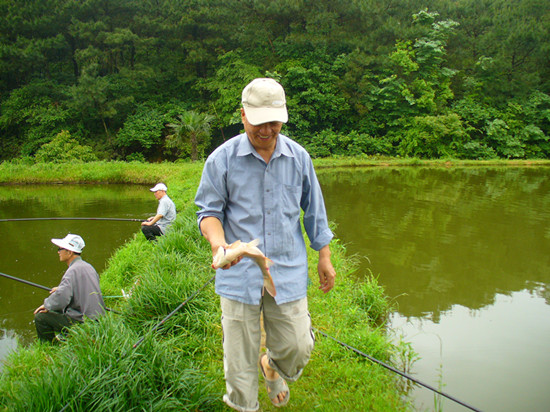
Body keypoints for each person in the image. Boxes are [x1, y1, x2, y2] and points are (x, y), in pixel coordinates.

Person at [195, 78, 336, 411]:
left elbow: (314, 209)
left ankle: (271, 366)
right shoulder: (221, 159)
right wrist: (220, 246)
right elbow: (209, 213)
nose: (267, 130)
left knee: (297, 347)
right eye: (259, 122)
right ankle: (245, 405)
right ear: (243, 115)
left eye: (274, 122)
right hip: (238, 273)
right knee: (238, 365)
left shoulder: (298, 158)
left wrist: (324, 255)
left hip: (287, 270)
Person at [34, 233, 105, 342]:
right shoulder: (88, 267)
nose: (58, 252)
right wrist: (60, 288)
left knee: (40, 317)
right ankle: (67, 337)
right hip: (98, 320)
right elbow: (81, 287)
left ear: (69, 252)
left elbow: (61, 299)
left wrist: (47, 305)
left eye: (60, 249)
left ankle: (50, 347)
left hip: (83, 322)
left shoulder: (72, 271)